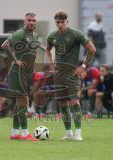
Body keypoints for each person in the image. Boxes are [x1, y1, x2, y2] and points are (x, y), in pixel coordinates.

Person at [46, 11, 96, 140]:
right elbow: (47, 49)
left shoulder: (75, 34)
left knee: (74, 102)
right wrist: (51, 62)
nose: (60, 24)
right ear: (55, 22)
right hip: (59, 75)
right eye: (58, 22)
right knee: (63, 104)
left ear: (67, 21)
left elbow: (92, 49)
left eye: (63, 22)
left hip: (73, 74)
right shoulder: (52, 36)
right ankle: (68, 133)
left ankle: (78, 134)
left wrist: (83, 66)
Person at [1, 12, 39, 141]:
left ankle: (14, 133)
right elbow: (5, 45)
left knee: (19, 103)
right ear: (25, 21)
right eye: (29, 20)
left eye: (34, 20)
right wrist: (15, 60)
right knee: (23, 101)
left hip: (26, 74)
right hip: (17, 72)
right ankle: (25, 134)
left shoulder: (34, 36)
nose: (31, 22)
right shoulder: (20, 33)